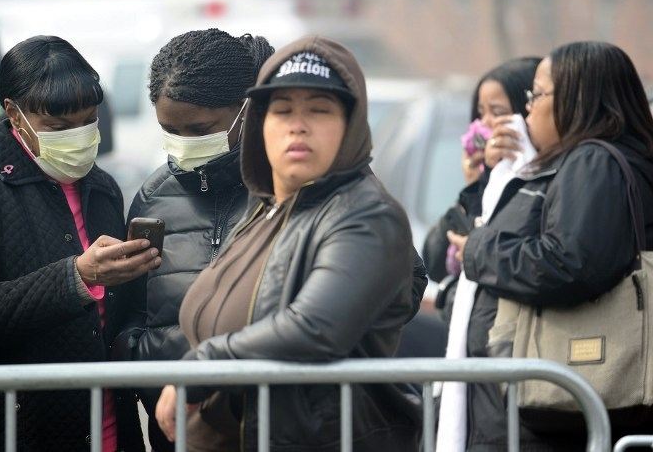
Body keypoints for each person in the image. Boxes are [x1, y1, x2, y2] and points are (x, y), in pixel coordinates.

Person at [154, 37, 423, 451]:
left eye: (319, 109)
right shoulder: (268, 208)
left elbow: (314, 329)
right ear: (260, 123)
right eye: (282, 110)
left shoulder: (366, 214)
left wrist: (202, 367)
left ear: (351, 124)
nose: (299, 124)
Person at [0, 35, 160, 451]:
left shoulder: (102, 188)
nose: (80, 136)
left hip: (107, 428)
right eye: (59, 127)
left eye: (89, 120)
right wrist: (77, 276)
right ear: (14, 113)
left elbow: (117, 318)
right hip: (13, 430)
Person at [447, 41, 653, 449]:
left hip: (560, 410)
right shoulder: (613, 160)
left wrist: (480, 249)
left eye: (536, 95)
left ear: (578, 98)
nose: (527, 109)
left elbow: (568, 262)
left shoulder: (595, 161)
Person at [112, 28, 274, 452]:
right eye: (170, 131)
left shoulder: (290, 186)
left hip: (274, 428)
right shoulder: (153, 196)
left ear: (246, 110)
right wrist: (142, 357)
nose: (184, 145)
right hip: (178, 431)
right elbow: (129, 307)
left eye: (200, 129)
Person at [422, 57, 540, 288]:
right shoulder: (484, 181)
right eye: (480, 113)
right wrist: (476, 186)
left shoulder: (541, 186)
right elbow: (435, 263)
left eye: (497, 112)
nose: (484, 123)